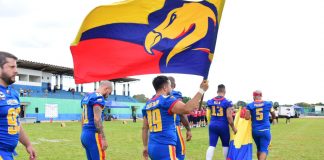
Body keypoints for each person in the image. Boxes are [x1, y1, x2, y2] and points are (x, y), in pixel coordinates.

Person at [142, 76, 208, 160]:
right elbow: (186, 109)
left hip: (152, 146)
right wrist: (201, 90)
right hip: (165, 147)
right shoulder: (167, 100)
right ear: (165, 87)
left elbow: (145, 128)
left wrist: (145, 146)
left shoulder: (148, 104)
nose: (171, 89)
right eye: (170, 86)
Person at [0, 51, 36, 160]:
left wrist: (28, 144)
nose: (16, 71)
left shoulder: (13, 93)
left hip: (8, 153)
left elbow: (15, 123)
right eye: (11, 67)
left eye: (16, 67)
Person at [81, 81, 113, 160]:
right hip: (94, 135)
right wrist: (103, 138)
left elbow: (82, 117)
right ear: (106, 89)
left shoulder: (87, 96)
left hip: (85, 134)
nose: (108, 95)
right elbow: (97, 118)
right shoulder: (98, 98)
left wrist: (83, 134)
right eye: (110, 92)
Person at [206, 84, 236, 160]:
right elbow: (229, 117)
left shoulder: (210, 101)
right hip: (223, 125)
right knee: (225, 145)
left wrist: (211, 122)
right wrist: (233, 127)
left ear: (217, 91)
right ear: (224, 91)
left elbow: (207, 114)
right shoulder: (227, 102)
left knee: (212, 145)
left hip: (212, 124)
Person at [244, 90, 276, 160]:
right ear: (261, 96)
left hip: (255, 130)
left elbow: (247, 118)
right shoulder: (268, 104)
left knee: (259, 148)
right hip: (265, 130)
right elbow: (273, 114)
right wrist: (274, 119)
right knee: (264, 149)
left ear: (253, 96)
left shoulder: (250, 105)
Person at [168, 76, 192, 160]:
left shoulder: (155, 97)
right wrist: (188, 129)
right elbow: (182, 112)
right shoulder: (175, 94)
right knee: (180, 151)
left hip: (159, 131)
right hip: (174, 127)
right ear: (174, 85)